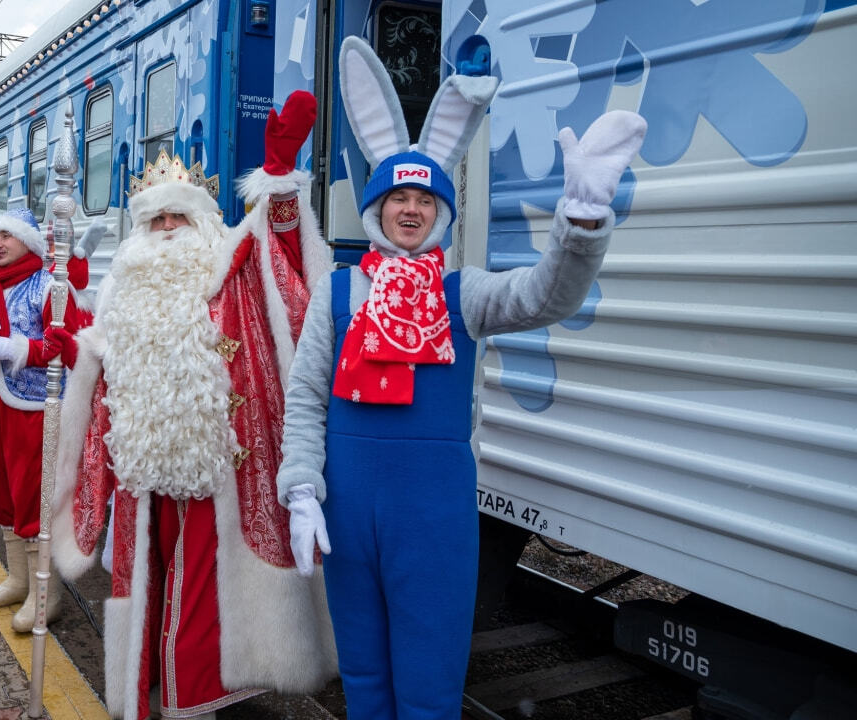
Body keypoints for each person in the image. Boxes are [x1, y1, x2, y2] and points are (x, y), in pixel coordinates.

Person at [275, 37, 647, 720]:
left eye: (424, 197)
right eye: (397, 197)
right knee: (362, 672)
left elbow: (545, 297)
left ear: (441, 211)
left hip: (433, 514)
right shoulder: (337, 294)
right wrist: (301, 487)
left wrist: (581, 223)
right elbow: (304, 399)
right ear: (377, 208)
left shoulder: (464, 293)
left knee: (428, 679)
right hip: (348, 510)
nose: (410, 209)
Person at [48, 92, 336, 720]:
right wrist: (74, 348)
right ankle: (155, 691)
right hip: (144, 479)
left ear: (204, 221)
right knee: (149, 585)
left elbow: (284, 259)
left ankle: (197, 699)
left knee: (206, 596)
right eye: (155, 222)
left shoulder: (230, 266)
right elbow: (102, 362)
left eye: (178, 217)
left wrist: (281, 180)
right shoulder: (123, 290)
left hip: (221, 471)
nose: (167, 230)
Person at [0, 207, 86, 633]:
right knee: (4, 493)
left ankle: (48, 596)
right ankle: (18, 579)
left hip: (34, 406)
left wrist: (7, 348)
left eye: (7, 236)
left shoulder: (49, 285)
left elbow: (65, 345)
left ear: (29, 240)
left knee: (33, 498)